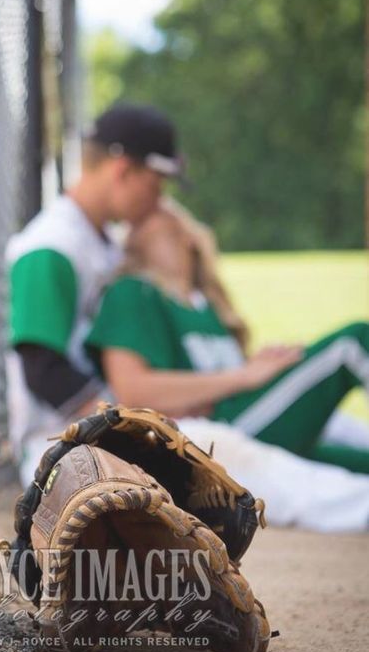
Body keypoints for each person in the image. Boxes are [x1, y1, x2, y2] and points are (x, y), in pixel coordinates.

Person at [84, 202, 369, 531]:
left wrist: (261, 371)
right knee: (351, 344)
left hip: (248, 419)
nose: (135, 229)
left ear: (187, 236)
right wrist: (242, 377)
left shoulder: (206, 304)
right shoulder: (134, 290)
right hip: (219, 430)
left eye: (155, 222)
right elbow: (132, 391)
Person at [5, 103, 184, 487]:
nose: (158, 200)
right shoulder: (51, 245)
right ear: (123, 170)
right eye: (155, 184)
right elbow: (42, 369)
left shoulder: (101, 242)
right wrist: (127, 429)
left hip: (102, 430)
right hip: (60, 446)